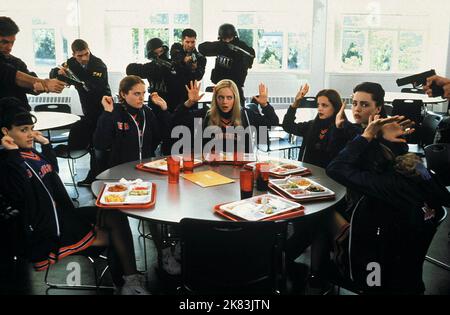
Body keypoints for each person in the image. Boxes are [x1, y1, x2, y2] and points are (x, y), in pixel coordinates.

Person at [0, 97, 150, 295]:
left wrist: (44, 144)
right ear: (5, 132)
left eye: (30, 128)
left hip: (63, 217)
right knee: (115, 234)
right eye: (23, 130)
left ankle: (128, 281)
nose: (30, 135)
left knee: (116, 214)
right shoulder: (8, 163)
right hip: (49, 233)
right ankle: (126, 284)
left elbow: (51, 171)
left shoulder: (28, 152)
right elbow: (22, 195)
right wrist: (12, 156)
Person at [324, 114, 450, 294]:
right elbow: (443, 195)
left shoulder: (384, 185)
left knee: (325, 214)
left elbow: (336, 168)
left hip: (376, 278)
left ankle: (315, 276)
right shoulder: (419, 170)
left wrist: (366, 137)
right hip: (410, 276)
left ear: (375, 148)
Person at [49, 39, 112, 186]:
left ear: (89, 50)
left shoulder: (98, 64)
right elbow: (54, 73)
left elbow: (91, 87)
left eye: (86, 54)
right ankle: (94, 177)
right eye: (79, 56)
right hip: (88, 111)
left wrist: (70, 77)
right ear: (73, 54)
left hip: (104, 109)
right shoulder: (71, 63)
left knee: (99, 145)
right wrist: (58, 72)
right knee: (92, 145)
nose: (84, 58)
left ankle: (98, 177)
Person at [172, 79, 279, 155]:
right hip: (211, 170)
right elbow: (175, 120)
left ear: (235, 98)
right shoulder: (205, 115)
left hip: (240, 169)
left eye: (229, 97)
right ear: (215, 98)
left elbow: (273, 122)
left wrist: (265, 105)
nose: (224, 102)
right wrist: (189, 103)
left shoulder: (246, 115)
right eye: (221, 97)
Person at [93, 75, 170, 168]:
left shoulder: (147, 112)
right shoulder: (113, 112)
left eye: (143, 93)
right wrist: (107, 113)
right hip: (119, 171)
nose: (142, 98)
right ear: (123, 94)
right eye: (137, 94)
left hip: (145, 168)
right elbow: (100, 144)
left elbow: (162, 136)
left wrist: (164, 110)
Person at [0, 16, 65, 109]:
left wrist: (38, 88)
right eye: (4, 42)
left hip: (22, 117)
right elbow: (11, 75)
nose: (9, 48)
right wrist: (46, 83)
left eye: (12, 43)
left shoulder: (17, 62)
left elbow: (31, 83)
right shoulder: (8, 68)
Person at [282, 84, 343, 167]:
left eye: (324, 105)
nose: (319, 109)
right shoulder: (311, 125)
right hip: (306, 174)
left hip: (327, 176)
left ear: (335, 107)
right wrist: (296, 103)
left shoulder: (341, 129)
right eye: (318, 105)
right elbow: (288, 126)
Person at [198, 23, 255, 104]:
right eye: (225, 39)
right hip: (220, 86)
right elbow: (202, 48)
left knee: (239, 112)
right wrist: (222, 46)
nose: (227, 40)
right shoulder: (220, 46)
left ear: (234, 36)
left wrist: (237, 53)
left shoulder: (241, 46)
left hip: (235, 87)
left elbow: (251, 56)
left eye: (229, 38)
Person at [126, 38, 178, 114]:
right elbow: (130, 69)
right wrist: (151, 67)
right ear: (152, 55)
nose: (160, 55)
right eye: (156, 53)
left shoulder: (173, 65)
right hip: (155, 104)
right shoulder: (150, 67)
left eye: (161, 51)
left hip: (173, 104)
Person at [170, 28, 207, 107]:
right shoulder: (176, 48)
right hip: (173, 91)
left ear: (195, 40)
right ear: (182, 41)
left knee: (191, 117)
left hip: (189, 93)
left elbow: (199, 77)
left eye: (193, 42)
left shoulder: (200, 58)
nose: (190, 45)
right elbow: (175, 57)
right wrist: (184, 60)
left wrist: (194, 69)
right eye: (187, 42)